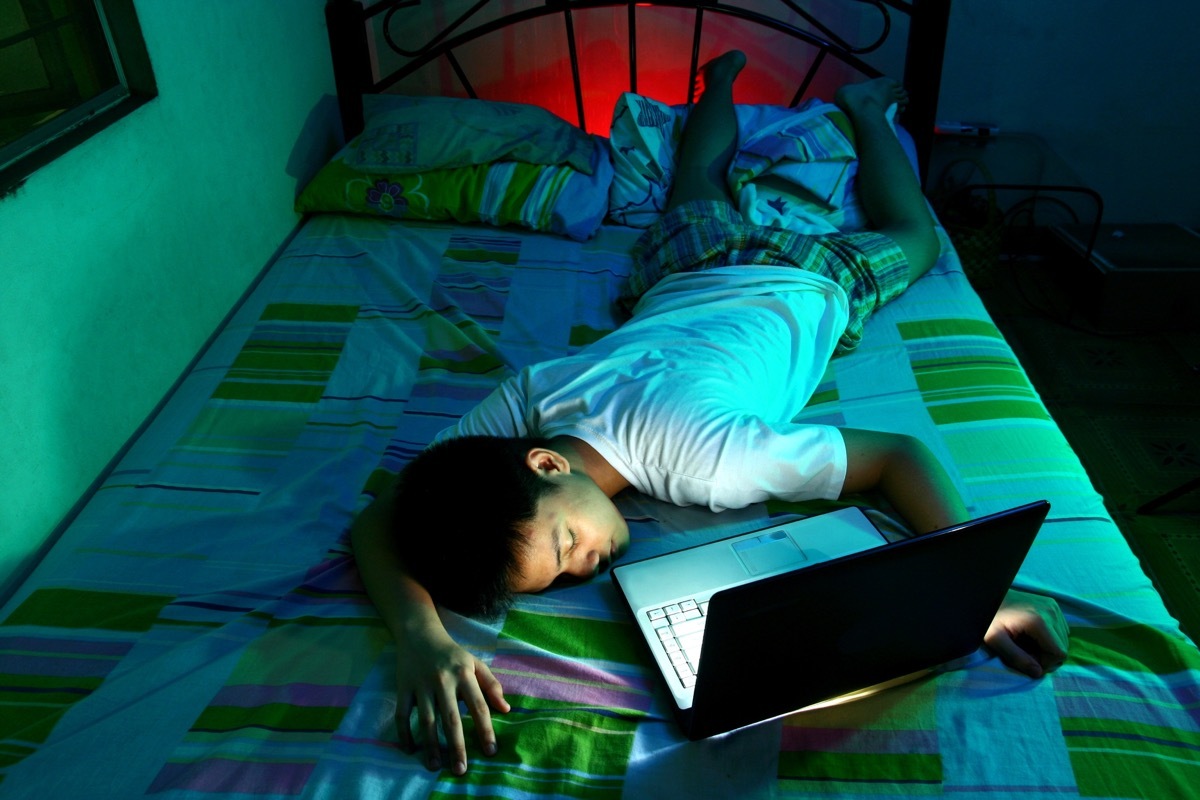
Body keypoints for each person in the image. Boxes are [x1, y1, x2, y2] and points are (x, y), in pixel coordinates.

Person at [351, 51, 1069, 776]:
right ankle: (718, 83)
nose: (586, 567)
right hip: (683, 270)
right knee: (697, 178)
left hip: (804, 278)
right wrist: (424, 636)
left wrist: (983, 589)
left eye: (567, 545)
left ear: (545, 463)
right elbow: (390, 511)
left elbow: (897, 454)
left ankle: (865, 109)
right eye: (564, 576)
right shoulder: (533, 397)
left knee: (916, 233)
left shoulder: (709, 459)